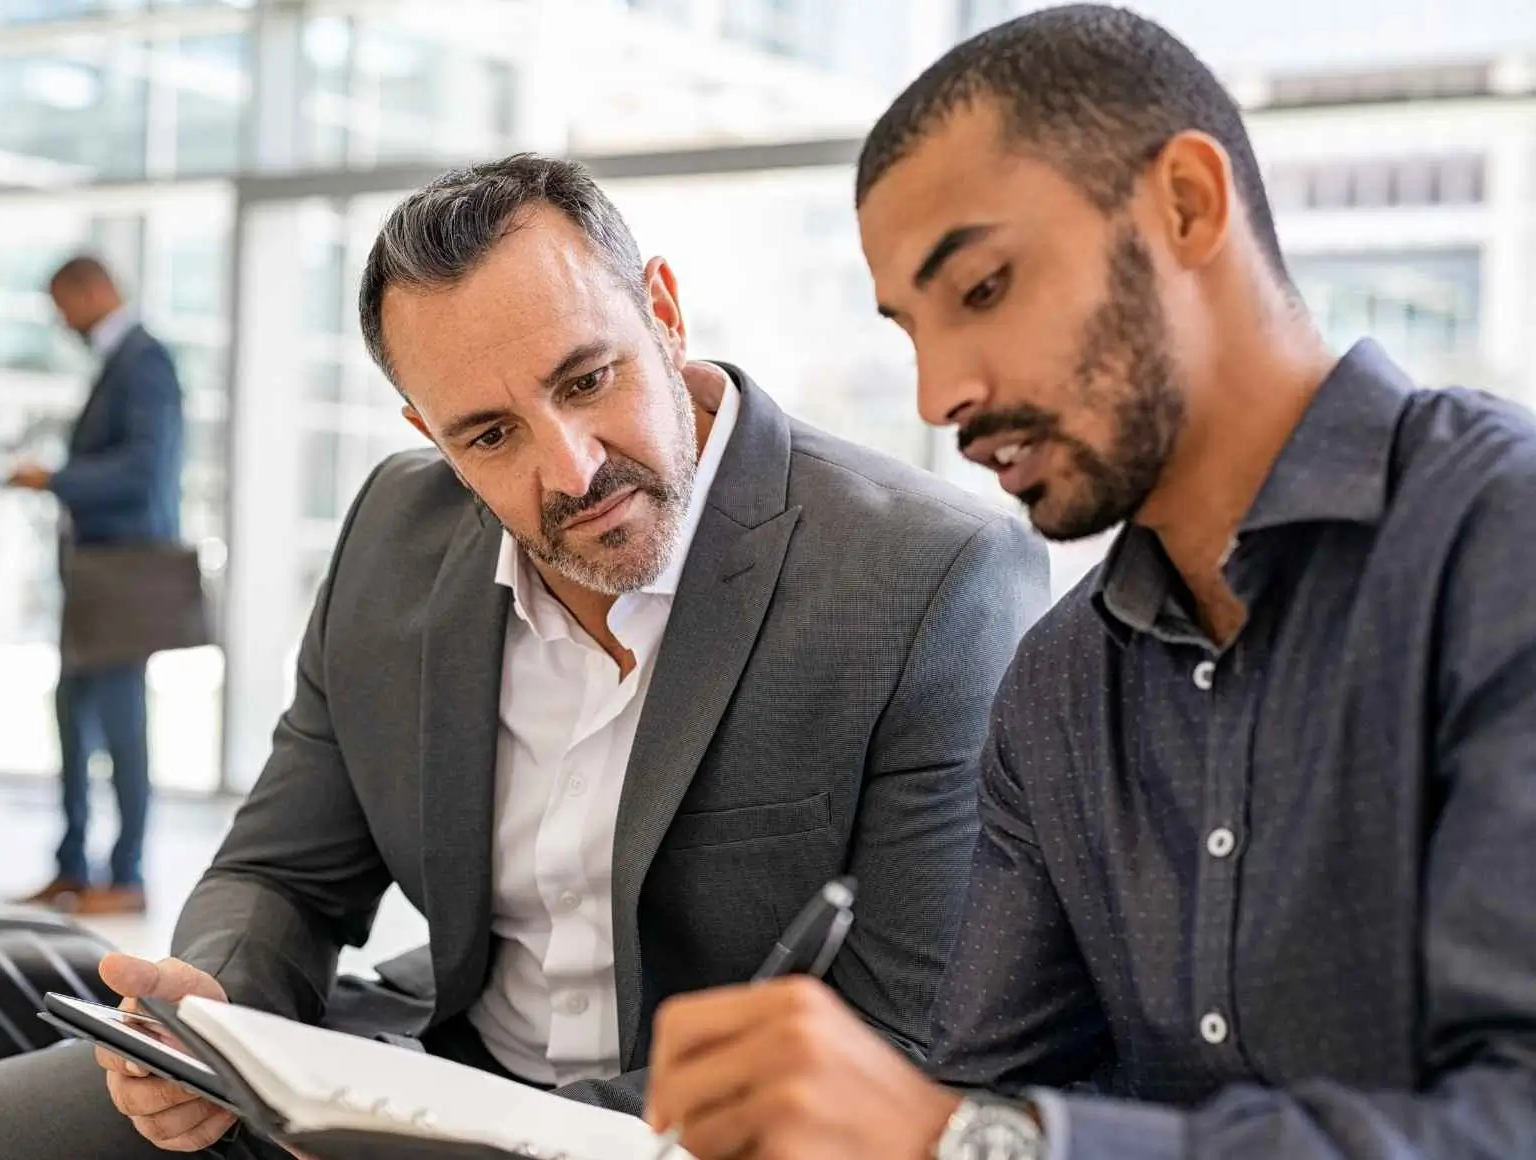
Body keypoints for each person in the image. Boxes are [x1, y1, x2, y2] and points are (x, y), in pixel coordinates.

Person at [0, 155, 1048, 1159]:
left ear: (664, 312)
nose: (572, 468)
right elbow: (282, 871)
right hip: (416, 1072)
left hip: (689, 1133)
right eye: (490, 433)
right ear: (429, 436)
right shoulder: (397, 524)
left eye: (589, 378)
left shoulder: (924, 577)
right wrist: (214, 1010)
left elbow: (902, 1029)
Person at [643, 7, 1536, 1160]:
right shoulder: (1057, 686)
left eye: (979, 289)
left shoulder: (1497, 543)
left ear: (1185, 206)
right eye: (907, 330)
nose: (937, 393)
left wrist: (974, 1134)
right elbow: (974, 1090)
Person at [7, 255, 186, 918]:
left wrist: (54, 479)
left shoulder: (144, 361)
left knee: (120, 725)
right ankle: (73, 868)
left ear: (93, 290)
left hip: (124, 573)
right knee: (74, 717)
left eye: (64, 304)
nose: (62, 320)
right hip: (95, 576)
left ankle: (127, 875)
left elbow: (144, 468)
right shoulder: (123, 362)